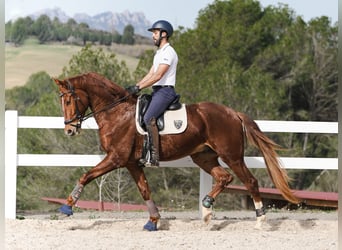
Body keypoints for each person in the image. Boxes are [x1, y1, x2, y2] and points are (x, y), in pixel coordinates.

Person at [126, 20, 179, 167]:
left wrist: (140, 87)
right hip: (157, 91)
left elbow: (158, 75)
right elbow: (151, 73)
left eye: (155, 33)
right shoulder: (159, 53)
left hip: (165, 91)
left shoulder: (169, 52)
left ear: (164, 34)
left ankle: (154, 156)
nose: (153, 36)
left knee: (149, 117)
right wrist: (136, 86)